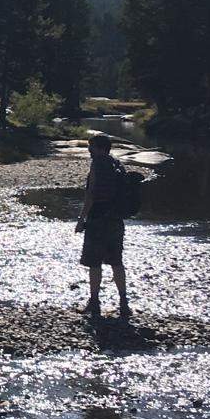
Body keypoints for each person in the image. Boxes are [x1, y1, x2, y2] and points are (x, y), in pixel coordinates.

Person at [77, 133, 130, 319]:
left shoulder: (97, 164)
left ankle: (94, 302)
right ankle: (124, 303)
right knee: (116, 262)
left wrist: (81, 219)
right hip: (116, 220)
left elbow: (91, 194)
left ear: (99, 148)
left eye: (90, 147)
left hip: (98, 219)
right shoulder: (117, 165)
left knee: (94, 262)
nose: (89, 151)